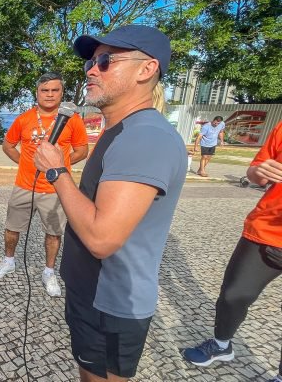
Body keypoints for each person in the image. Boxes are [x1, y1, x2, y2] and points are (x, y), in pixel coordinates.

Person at [34, 25, 186, 381]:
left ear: (146, 69)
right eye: (90, 61)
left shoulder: (144, 137)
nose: (90, 69)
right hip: (94, 293)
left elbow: (102, 239)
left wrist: (58, 173)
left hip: (110, 301)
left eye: (105, 61)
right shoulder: (122, 130)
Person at [182, 121, 282, 382]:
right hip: (266, 230)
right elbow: (254, 174)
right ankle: (222, 344)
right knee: (233, 296)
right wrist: (260, 172)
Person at [0, 72, 88, 298]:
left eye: (55, 90)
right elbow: (8, 146)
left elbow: (82, 150)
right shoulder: (23, 119)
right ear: (37, 93)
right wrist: (26, 162)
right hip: (24, 185)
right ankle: (9, 261)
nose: (50, 94)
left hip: (55, 189)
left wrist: (59, 166)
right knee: (12, 228)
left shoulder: (72, 120)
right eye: (45, 90)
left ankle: (49, 271)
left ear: (62, 93)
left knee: (53, 233)